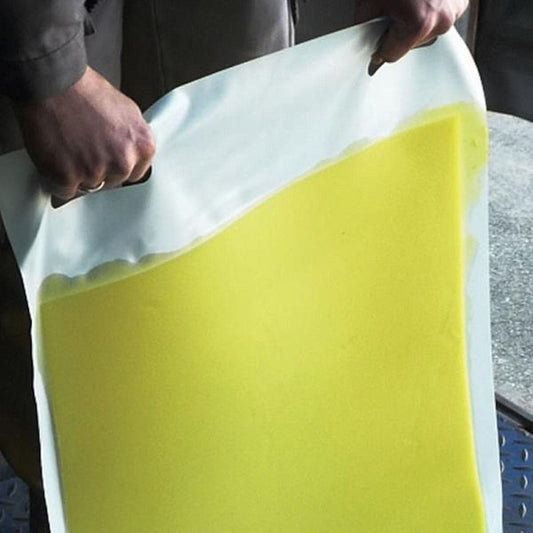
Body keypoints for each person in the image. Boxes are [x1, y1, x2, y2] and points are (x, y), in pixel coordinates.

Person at [0, 1, 468, 530]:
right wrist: (52, 67)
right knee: (121, 432)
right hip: (124, 58)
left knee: (327, 381)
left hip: (335, 51)